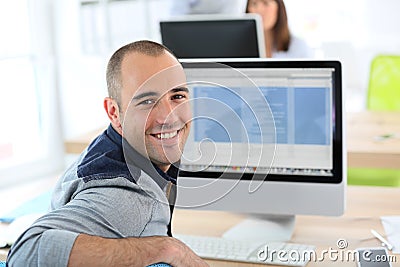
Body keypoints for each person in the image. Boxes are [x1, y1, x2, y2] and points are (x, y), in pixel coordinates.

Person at [7, 40, 208, 267]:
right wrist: (167, 248)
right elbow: (24, 254)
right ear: (114, 112)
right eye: (148, 101)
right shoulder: (129, 200)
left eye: (177, 96)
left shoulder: (110, 144)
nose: (169, 117)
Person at [246, 0, 313, 58]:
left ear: (279, 8)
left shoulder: (299, 46)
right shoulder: (240, 47)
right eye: (254, 3)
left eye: (266, 3)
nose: (259, 10)